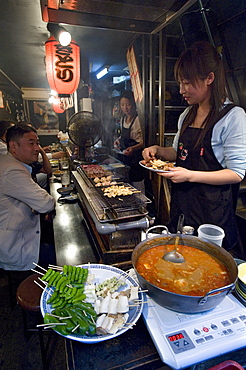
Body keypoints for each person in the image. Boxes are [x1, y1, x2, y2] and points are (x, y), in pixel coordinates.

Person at [142, 41, 246, 251]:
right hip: (182, 206)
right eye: (180, 83)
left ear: (210, 78)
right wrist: (158, 150)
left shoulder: (233, 117)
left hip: (212, 213)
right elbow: (178, 153)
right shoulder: (186, 115)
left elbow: (236, 173)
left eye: (187, 82)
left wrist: (189, 175)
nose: (182, 90)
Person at [0, 124, 55, 271]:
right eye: (31, 144)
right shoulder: (12, 170)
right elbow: (46, 204)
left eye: (37, 143)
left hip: (24, 230)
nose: (37, 148)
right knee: (63, 256)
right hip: (17, 245)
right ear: (13, 146)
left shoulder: (12, 163)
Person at [114, 90, 146, 192]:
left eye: (128, 105)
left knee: (138, 185)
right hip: (126, 158)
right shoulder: (123, 118)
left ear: (133, 104)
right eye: (122, 105)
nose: (125, 108)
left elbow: (144, 142)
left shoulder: (138, 119)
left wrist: (133, 148)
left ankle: (142, 206)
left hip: (136, 158)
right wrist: (118, 140)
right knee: (127, 185)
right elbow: (123, 135)